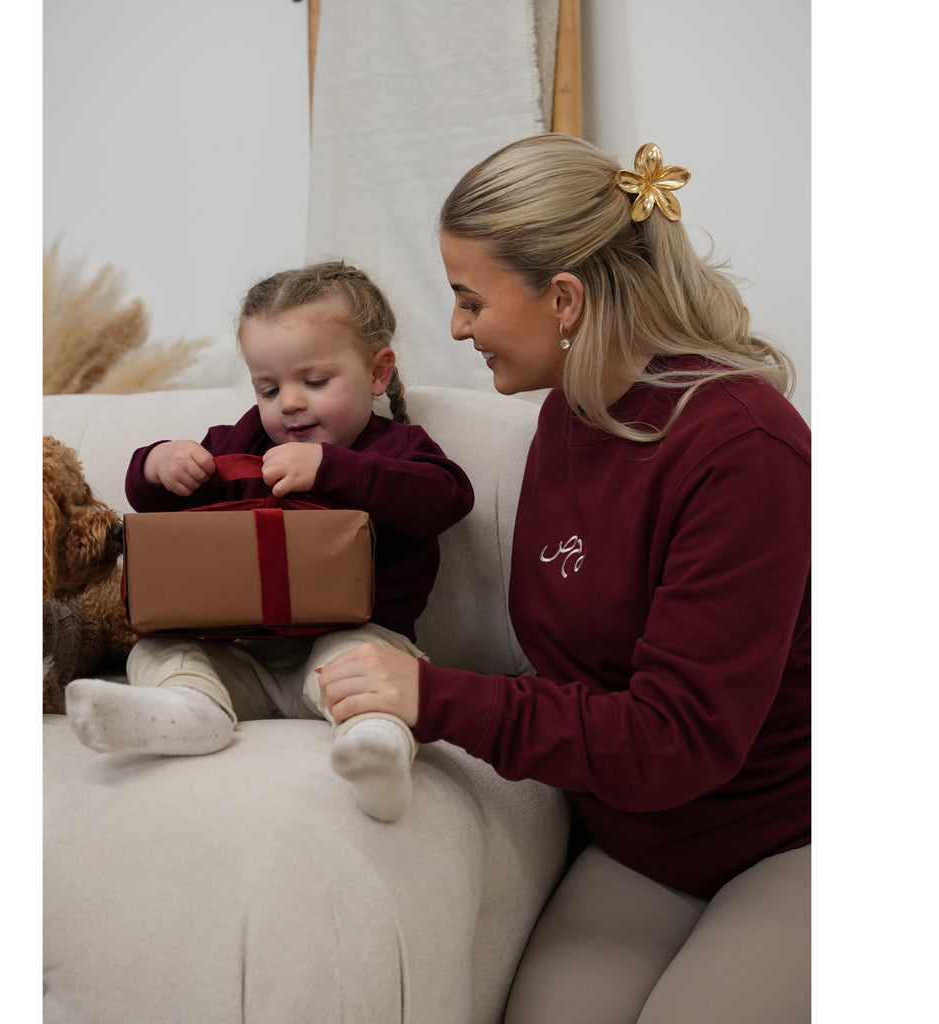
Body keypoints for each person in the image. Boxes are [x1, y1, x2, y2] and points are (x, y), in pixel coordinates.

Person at [315, 135, 811, 1022]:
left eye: (471, 299)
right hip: (640, 841)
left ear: (567, 299)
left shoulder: (745, 445)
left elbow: (678, 738)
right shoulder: (567, 419)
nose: (458, 328)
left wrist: (437, 698)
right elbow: (573, 678)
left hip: (790, 838)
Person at [66, 260, 474, 823]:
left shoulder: (397, 449)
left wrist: (332, 469)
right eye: (268, 387)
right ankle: (191, 710)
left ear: (378, 374)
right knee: (153, 649)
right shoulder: (240, 441)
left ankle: (375, 749)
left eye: (314, 382)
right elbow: (155, 505)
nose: (289, 403)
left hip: (348, 646)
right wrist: (158, 464)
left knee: (366, 667)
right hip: (244, 659)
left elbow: (448, 498)